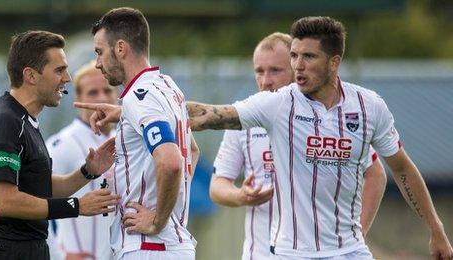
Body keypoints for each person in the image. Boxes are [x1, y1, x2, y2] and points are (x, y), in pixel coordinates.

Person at [77, 16, 453, 259]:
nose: (297, 67)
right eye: (294, 56)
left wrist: (436, 231)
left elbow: (400, 170)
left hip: (349, 253)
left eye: (308, 57)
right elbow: (208, 113)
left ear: (334, 62)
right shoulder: (276, 105)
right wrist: (131, 113)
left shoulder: (370, 107)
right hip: (286, 253)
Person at [209, 32, 386, 260]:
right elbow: (217, 185)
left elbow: (376, 174)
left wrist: (356, 235)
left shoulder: (325, 115)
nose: (265, 80)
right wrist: (240, 196)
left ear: (296, 68)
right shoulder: (244, 119)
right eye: (259, 71)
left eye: (275, 70)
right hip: (260, 254)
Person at [0, 30, 120, 259]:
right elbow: (5, 201)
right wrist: (76, 206)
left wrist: (88, 172)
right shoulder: (6, 121)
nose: (67, 78)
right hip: (5, 251)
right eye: (59, 70)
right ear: (31, 75)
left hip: (29, 249)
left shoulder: (25, 120)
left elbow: (39, 186)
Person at [89, 7, 201, 260]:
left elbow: (171, 162)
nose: (97, 63)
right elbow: (191, 150)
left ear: (120, 48)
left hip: (148, 246)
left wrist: (157, 221)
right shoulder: (167, 86)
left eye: (99, 52)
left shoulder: (140, 98)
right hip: (171, 246)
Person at [45, 61, 119, 260]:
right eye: (93, 92)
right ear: (78, 98)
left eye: (107, 90)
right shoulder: (63, 144)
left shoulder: (126, 140)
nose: (102, 98)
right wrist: (58, 255)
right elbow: (36, 202)